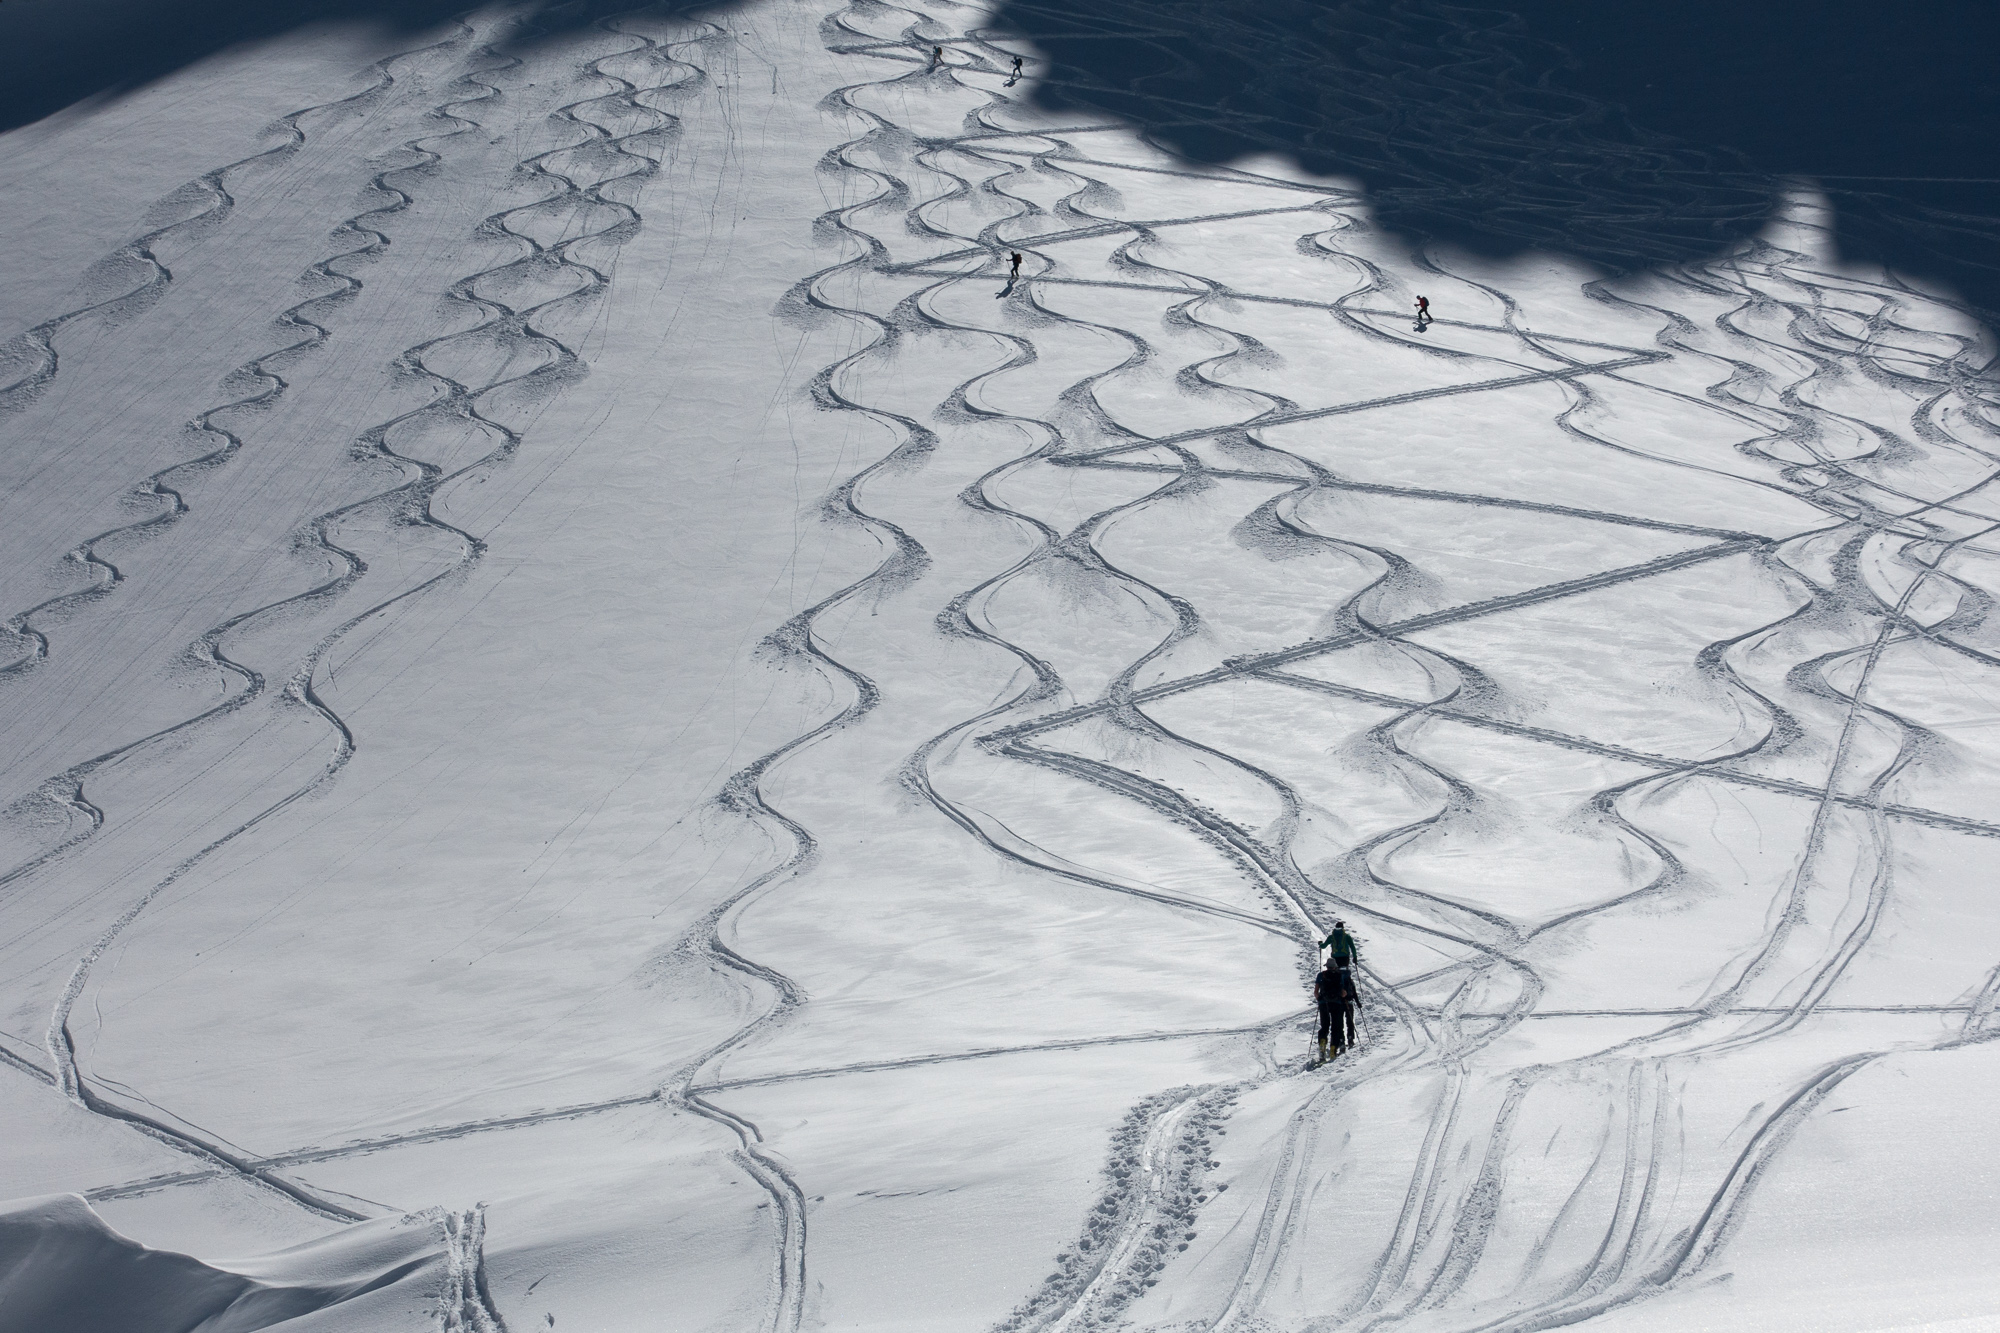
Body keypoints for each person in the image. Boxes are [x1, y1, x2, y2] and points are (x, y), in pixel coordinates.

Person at [1312, 958, 1344, 1062]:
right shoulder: (1340, 975)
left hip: (1323, 1003)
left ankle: (1322, 1048)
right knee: (1336, 1027)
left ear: (1327, 966)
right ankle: (1333, 1050)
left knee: (1324, 1027)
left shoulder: (1321, 975)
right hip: (1336, 1003)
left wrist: (1319, 998)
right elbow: (1343, 992)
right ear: (1335, 966)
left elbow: (1316, 992)